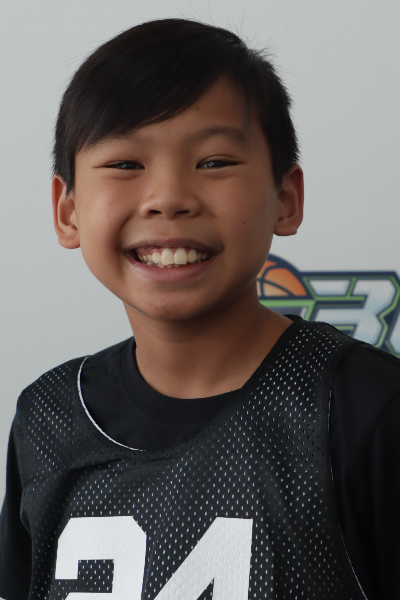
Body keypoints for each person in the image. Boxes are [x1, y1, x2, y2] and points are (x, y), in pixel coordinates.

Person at [0, 17, 399, 600]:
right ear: (68, 211)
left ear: (286, 198)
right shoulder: (48, 418)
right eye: (125, 164)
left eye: (213, 162)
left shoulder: (367, 412)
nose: (168, 199)